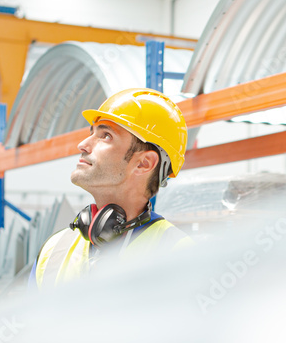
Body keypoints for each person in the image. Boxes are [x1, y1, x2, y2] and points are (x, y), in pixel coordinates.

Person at [30, 88, 190, 290]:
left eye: (105, 135)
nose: (83, 144)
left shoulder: (180, 256)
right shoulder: (53, 250)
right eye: (91, 133)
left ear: (144, 163)